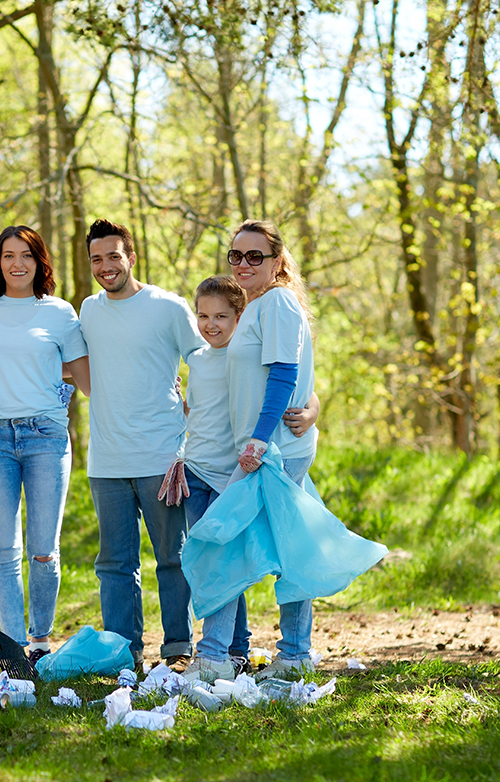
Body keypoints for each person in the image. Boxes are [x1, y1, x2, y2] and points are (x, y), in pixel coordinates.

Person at [176, 274, 318, 682]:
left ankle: (272, 652)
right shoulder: (217, 347)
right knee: (227, 555)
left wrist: (311, 410)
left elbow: (289, 376)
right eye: (203, 315)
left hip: (259, 458)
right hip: (225, 461)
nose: (212, 323)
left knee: (270, 554)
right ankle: (233, 652)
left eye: (221, 315)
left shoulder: (275, 307)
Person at [78, 218, 205, 672]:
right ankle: (122, 652)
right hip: (106, 461)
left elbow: (205, 359)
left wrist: (197, 415)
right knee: (114, 564)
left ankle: (177, 648)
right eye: (97, 259)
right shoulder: (88, 311)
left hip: (160, 457)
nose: (106, 266)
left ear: (131, 257)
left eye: (114, 256)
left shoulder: (168, 307)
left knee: (172, 557)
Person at [0, 226, 90, 666]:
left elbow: (86, 375)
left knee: (43, 549)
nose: (17, 264)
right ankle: (13, 646)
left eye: (26, 256)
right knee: (4, 549)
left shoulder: (58, 313)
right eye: (8, 255)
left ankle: (39, 639)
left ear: (40, 262)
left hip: (46, 437)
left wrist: (159, 388)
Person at [222, 218, 320, 680]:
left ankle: (293, 654)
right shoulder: (260, 306)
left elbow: (284, 374)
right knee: (279, 546)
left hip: (274, 450)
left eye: (255, 256)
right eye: (236, 255)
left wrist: (260, 441)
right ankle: (276, 652)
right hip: (268, 446)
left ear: (278, 262)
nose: (244, 264)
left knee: (279, 549)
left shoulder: (277, 301)